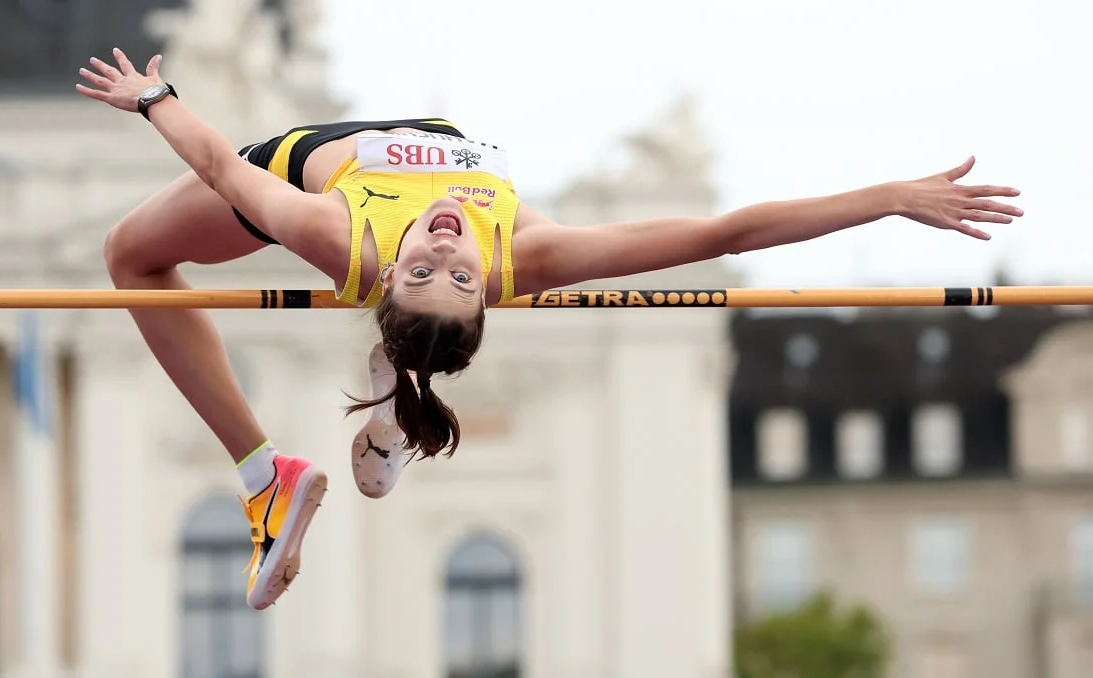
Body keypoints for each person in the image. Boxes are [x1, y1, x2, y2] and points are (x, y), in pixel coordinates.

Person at [76, 48, 1024, 610]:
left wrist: (156, 100)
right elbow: (729, 230)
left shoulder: (339, 233)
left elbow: (220, 168)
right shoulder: (522, 257)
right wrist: (889, 197)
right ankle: (390, 410)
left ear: (387, 275)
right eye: (455, 274)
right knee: (417, 327)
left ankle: (266, 476)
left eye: (428, 269)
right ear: (484, 289)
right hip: (427, 140)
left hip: (309, 160)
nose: (447, 243)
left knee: (131, 259)